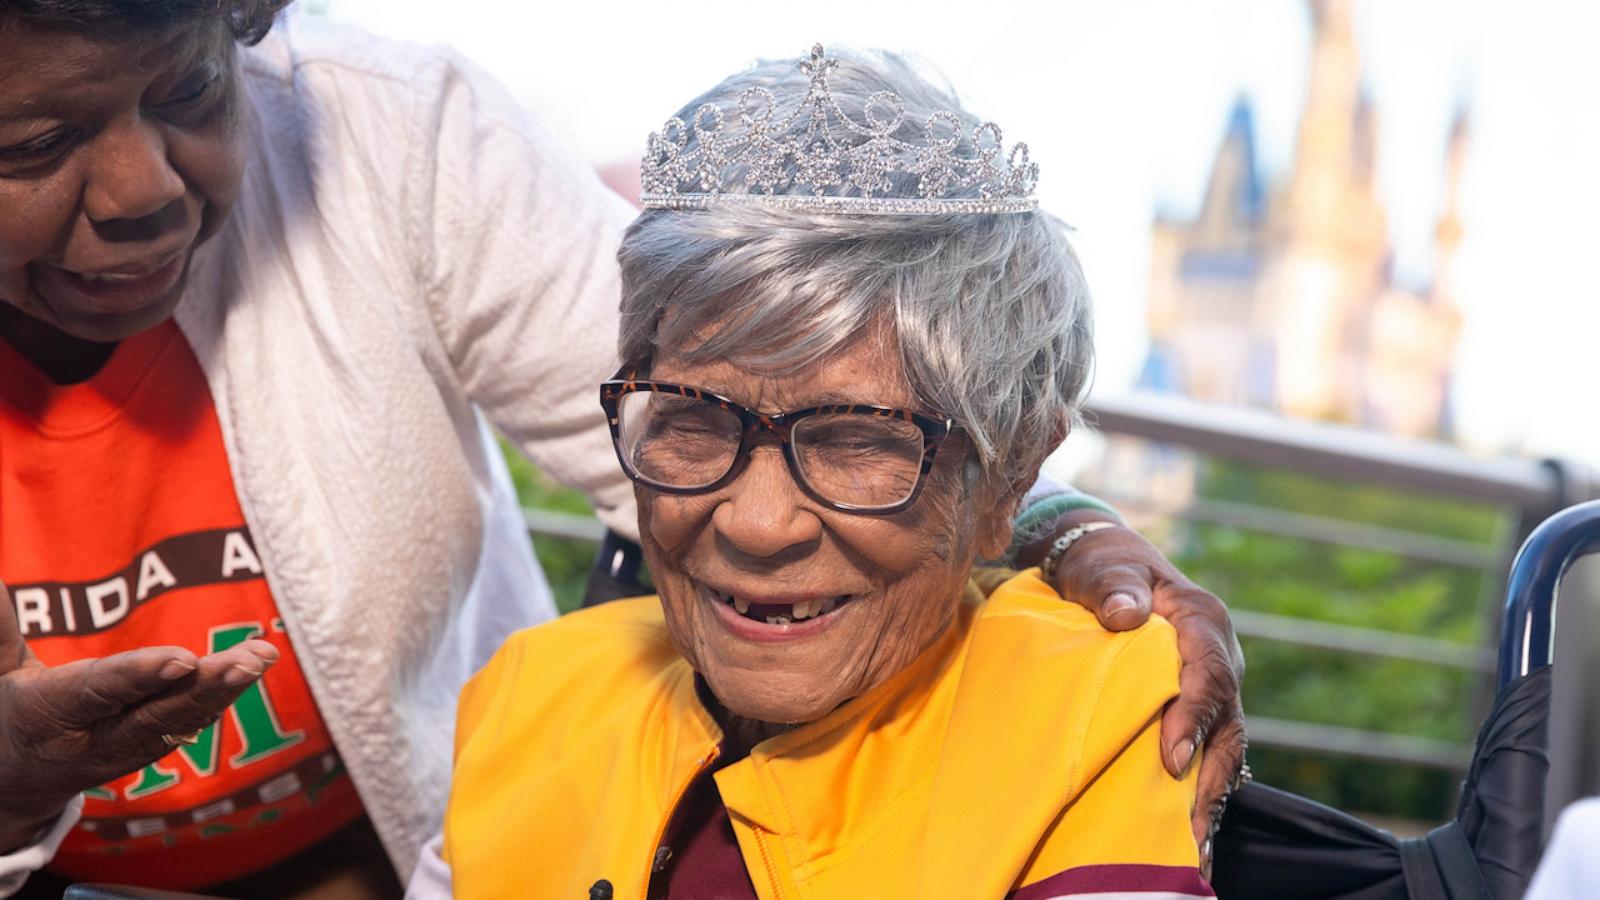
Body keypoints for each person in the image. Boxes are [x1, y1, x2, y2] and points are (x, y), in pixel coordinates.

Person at [0, 3, 1241, 895]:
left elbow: (773, 368)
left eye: (190, 94)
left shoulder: (389, 147)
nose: (143, 189)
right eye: (31, 145)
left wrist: (1044, 518)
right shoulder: (541, 704)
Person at [424, 45, 1215, 898]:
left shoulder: (1089, 707)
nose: (756, 524)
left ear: (1011, 475)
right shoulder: (530, 692)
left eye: (858, 441)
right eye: (693, 417)